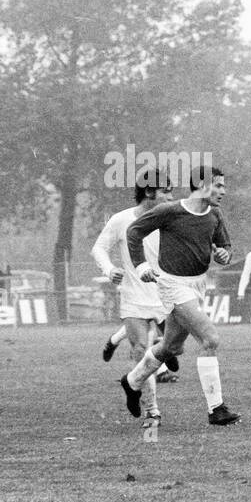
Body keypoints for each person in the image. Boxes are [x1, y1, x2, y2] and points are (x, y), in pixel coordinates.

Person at [118, 165, 240, 426]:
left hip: (197, 285)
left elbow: (226, 246)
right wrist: (141, 266)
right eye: (218, 185)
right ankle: (216, 409)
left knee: (172, 347)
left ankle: (132, 382)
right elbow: (134, 232)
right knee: (210, 338)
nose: (223, 191)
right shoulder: (169, 211)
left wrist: (224, 254)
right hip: (173, 286)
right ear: (202, 185)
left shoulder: (215, 214)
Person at [91, 169, 174, 427]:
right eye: (166, 191)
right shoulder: (121, 220)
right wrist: (110, 270)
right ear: (149, 192)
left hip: (165, 295)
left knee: (172, 348)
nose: (171, 196)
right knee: (140, 350)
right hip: (134, 297)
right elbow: (98, 248)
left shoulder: (170, 219)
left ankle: (131, 380)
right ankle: (152, 411)